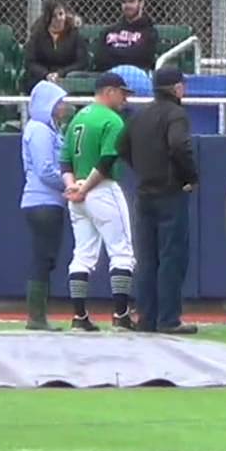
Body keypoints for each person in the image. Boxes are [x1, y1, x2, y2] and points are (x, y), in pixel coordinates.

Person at [118, 67, 199, 335]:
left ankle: (147, 318)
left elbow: (122, 146)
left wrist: (141, 168)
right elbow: (179, 145)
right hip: (170, 192)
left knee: (147, 259)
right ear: (177, 88)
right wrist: (189, 176)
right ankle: (169, 319)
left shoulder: (140, 116)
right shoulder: (176, 114)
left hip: (145, 193)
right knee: (171, 257)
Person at [59, 72, 137, 332]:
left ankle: (79, 316)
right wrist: (85, 188)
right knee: (122, 252)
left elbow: (65, 160)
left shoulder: (78, 117)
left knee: (82, 255)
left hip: (77, 190)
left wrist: (72, 186)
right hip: (100, 189)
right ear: (110, 91)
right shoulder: (112, 119)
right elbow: (106, 161)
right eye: (122, 93)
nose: (125, 99)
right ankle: (121, 314)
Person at [19, 80, 70, 331]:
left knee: (46, 258)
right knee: (42, 257)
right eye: (59, 102)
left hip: (49, 202)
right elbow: (45, 170)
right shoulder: (39, 130)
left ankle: (38, 315)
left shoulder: (49, 130)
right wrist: (70, 185)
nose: (63, 107)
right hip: (43, 202)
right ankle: (36, 317)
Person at [22, 0, 88, 94]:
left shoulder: (75, 34)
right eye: (54, 16)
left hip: (66, 76)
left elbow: (82, 62)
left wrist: (60, 73)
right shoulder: (38, 35)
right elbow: (30, 62)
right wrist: (46, 74)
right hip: (42, 76)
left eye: (61, 14)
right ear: (48, 18)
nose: (58, 18)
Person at [95, 0, 159, 73]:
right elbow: (100, 59)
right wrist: (127, 54)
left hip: (136, 77)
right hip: (109, 76)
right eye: (124, 2)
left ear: (141, 3)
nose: (127, 5)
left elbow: (143, 59)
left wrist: (114, 53)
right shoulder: (108, 31)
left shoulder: (149, 32)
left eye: (131, 1)